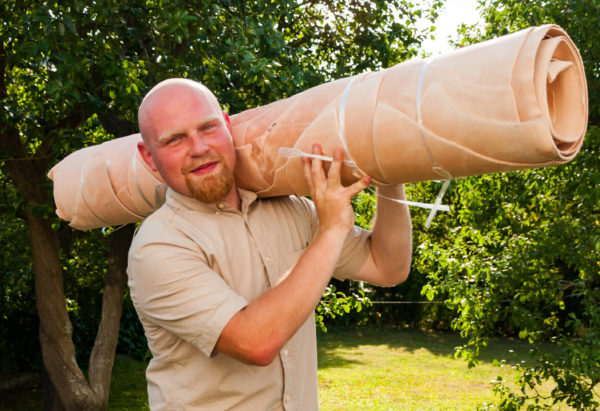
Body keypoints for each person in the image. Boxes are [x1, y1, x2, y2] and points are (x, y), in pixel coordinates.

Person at [127, 78, 412, 410]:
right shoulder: (159, 246)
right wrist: (331, 230)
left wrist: (392, 172)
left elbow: (388, 267)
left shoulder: (292, 209)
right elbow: (255, 343)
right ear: (149, 157)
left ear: (227, 126)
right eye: (175, 139)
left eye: (208, 128)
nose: (199, 147)